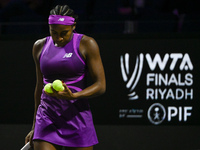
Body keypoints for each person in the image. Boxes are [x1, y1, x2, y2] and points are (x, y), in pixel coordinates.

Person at [25, 4, 106, 150]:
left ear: (73, 26)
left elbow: (101, 86)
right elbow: (39, 87)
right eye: (54, 32)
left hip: (77, 118)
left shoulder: (87, 44)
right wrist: (34, 127)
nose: (59, 38)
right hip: (47, 118)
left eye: (64, 33)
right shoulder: (39, 46)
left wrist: (74, 95)